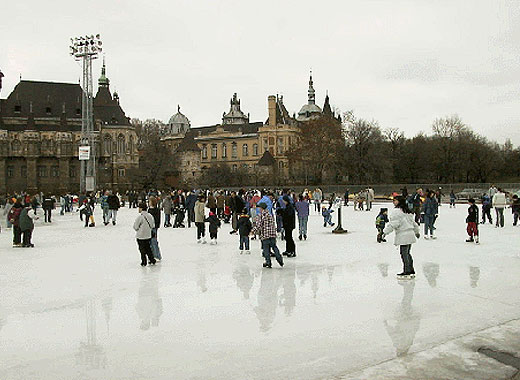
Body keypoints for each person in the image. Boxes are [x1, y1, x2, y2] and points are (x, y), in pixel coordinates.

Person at [383, 196, 420, 278]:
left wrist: (384, 232)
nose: (393, 202)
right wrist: (416, 232)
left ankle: (407, 271)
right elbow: (414, 224)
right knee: (408, 253)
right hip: (410, 235)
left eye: (395, 200)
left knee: (404, 254)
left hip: (403, 235)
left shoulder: (396, 212)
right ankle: (411, 270)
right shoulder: (407, 211)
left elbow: (393, 224)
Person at [253, 202, 284, 268]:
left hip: (265, 235)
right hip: (272, 234)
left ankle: (268, 262)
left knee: (266, 249)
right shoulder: (270, 215)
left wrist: (253, 231)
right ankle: (279, 259)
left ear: (261, 208)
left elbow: (259, 226)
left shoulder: (261, 216)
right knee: (274, 247)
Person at [133, 202, 156, 267]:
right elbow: (152, 225)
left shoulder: (140, 217)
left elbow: (135, 226)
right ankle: (152, 259)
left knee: (142, 249)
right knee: (148, 248)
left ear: (141, 208)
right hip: (148, 235)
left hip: (140, 236)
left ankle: (144, 261)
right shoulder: (150, 216)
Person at [148, 196, 162, 260]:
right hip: (149, 227)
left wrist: (155, 226)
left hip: (154, 227)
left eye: (149, 201)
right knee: (150, 242)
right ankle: (152, 254)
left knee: (154, 241)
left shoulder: (156, 210)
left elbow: (157, 219)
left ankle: (157, 255)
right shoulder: (149, 209)